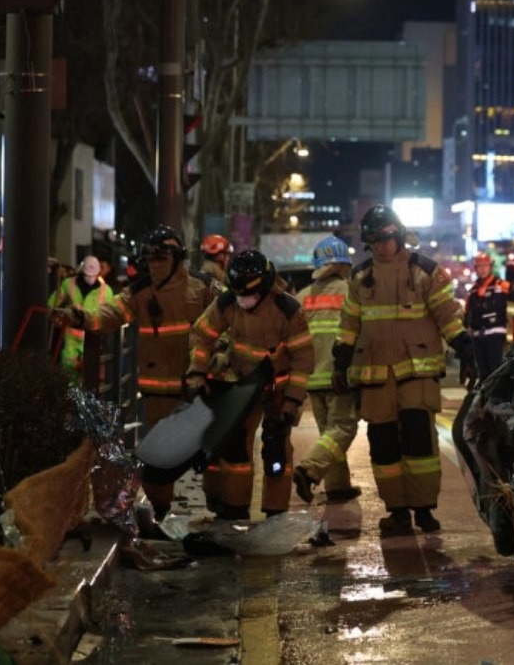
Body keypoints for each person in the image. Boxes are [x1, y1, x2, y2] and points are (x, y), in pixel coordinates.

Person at [51, 226, 222, 532]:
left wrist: (221, 359)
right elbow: (110, 312)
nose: (154, 264)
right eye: (150, 258)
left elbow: (229, 319)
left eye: (160, 257)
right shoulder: (139, 291)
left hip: (200, 386)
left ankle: (221, 508)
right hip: (158, 392)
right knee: (160, 455)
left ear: (177, 258)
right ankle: (160, 513)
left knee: (211, 450)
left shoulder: (203, 287)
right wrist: (80, 318)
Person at [334, 204, 472, 536]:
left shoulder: (426, 271)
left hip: (416, 376)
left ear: (399, 236)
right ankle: (397, 511)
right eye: (374, 242)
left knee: (420, 445)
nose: (381, 247)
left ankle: (424, 510)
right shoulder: (360, 277)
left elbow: (447, 316)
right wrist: (341, 357)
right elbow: (349, 323)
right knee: (383, 449)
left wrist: (465, 348)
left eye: (386, 239)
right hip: (376, 377)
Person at [186, 249, 314, 520]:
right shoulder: (228, 302)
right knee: (234, 447)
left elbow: (303, 359)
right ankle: (233, 507)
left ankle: (276, 512)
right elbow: (201, 334)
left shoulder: (288, 310)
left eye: (250, 295)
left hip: (277, 390)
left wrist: (292, 400)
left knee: (276, 449)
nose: (244, 301)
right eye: (240, 295)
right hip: (242, 386)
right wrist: (197, 369)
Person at [292, 235, 362, 503]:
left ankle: (338, 486)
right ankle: (308, 470)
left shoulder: (302, 297)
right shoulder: (351, 292)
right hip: (339, 375)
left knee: (329, 433)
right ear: (343, 265)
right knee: (343, 428)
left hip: (311, 378)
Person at [48, 255, 115, 379]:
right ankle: (71, 396)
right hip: (71, 335)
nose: (90, 279)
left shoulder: (106, 291)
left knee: (89, 372)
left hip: (92, 336)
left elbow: (110, 315)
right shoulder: (68, 284)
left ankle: (82, 396)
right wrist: (55, 313)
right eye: (87, 275)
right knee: (68, 367)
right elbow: (53, 302)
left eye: (92, 276)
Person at [463, 251, 514, 381]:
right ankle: (485, 398)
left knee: (494, 370)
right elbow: (467, 314)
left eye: (485, 266)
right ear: (476, 269)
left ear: (490, 267)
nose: (482, 269)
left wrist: (510, 287)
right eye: (479, 266)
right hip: (478, 336)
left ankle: (496, 399)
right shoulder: (473, 290)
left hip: (495, 334)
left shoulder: (499, 285)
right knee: (482, 372)